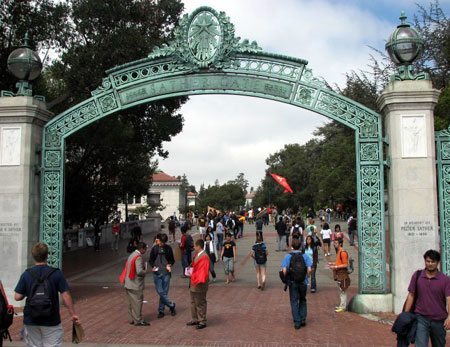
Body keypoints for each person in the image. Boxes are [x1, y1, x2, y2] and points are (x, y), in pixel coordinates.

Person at [14, 242, 80, 346]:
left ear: (33, 256)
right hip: (51, 319)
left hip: (31, 319)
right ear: (47, 255)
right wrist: (73, 314)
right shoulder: (56, 273)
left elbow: (17, 297)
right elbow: (66, 295)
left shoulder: (26, 274)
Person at [403, 250, 450, 347]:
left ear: (437, 263)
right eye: (428, 261)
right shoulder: (417, 276)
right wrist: (405, 315)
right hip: (421, 318)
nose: (430, 264)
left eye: (433, 262)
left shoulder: (445, 280)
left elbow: (449, 298)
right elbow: (411, 295)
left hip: (439, 320)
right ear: (425, 261)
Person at [281, 239, 312, 329]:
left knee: (294, 301)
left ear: (292, 246)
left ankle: (297, 321)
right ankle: (303, 318)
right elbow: (309, 269)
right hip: (303, 281)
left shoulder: (288, 256)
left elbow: (284, 270)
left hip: (293, 282)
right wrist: (308, 276)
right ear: (300, 246)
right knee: (302, 299)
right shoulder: (305, 256)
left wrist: (286, 277)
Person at [120, 241, 149, 325]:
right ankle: (138, 320)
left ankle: (131, 319)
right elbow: (139, 271)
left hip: (128, 282)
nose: (146, 251)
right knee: (137, 302)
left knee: (130, 303)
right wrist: (145, 271)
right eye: (145, 249)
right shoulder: (138, 257)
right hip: (135, 284)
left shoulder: (132, 255)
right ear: (142, 249)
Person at [148, 233, 176, 319]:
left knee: (164, 292)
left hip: (166, 273)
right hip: (157, 273)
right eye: (161, 241)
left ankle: (161, 310)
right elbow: (151, 260)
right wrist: (153, 266)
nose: (162, 244)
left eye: (163, 242)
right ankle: (171, 305)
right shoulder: (155, 249)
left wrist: (169, 265)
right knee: (160, 291)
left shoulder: (168, 249)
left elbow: (172, 260)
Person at [186, 239, 210, 329]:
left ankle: (202, 320)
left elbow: (202, 272)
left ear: (199, 246)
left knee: (200, 302)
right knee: (193, 301)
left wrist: (195, 276)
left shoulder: (204, 256)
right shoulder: (197, 255)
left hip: (199, 283)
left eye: (195, 246)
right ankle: (195, 318)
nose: (194, 247)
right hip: (194, 282)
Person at [328, 238, 350, 312]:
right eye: (334, 243)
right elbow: (339, 262)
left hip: (343, 274)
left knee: (343, 291)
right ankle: (341, 305)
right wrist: (333, 264)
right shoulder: (339, 252)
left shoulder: (342, 252)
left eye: (336, 243)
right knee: (341, 291)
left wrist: (335, 266)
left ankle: (343, 306)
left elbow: (345, 264)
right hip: (339, 274)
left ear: (340, 244)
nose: (335, 244)